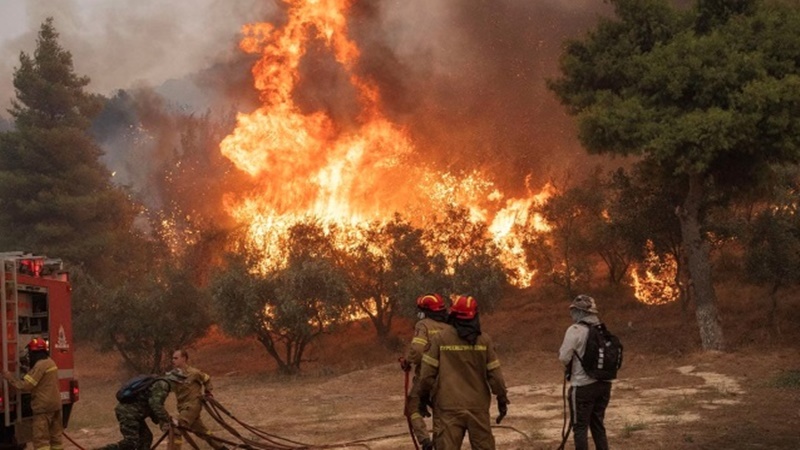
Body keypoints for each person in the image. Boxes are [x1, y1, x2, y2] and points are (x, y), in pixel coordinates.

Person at [418, 295, 509, 450]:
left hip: (448, 407)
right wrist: (501, 398)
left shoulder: (441, 339)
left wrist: (423, 397)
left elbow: (426, 374)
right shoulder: (484, 341)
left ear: (452, 314)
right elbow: (496, 376)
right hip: (477, 406)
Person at [558, 295, 612, 450]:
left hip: (582, 387)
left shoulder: (574, 330)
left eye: (574, 311)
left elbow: (564, 357)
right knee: (598, 426)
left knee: (580, 428)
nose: (572, 314)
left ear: (579, 312)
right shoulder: (602, 330)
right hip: (604, 386)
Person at [400, 293, 452, 450]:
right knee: (440, 413)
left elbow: (417, 350)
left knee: (412, 407)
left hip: (427, 377)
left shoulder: (423, 325)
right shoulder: (450, 327)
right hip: (449, 379)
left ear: (425, 311)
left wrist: (407, 361)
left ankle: (426, 442)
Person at [3, 338, 63, 450]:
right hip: (55, 406)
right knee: (56, 439)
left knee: (41, 441)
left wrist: (9, 377)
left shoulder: (39, 366)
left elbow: (25, 386)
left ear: (34, 352)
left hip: (43, 408)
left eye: (30, 353)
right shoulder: (50, 362)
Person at [166, 349, 227, 450]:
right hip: (182, 407)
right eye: (172, 358)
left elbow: (206, 379)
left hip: (193, 406)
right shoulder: (173, 376)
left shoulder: (194, 373)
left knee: (176, 427)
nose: (173, 360)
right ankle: (221, 448)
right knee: (202, 432)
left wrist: (208, 392)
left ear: (184, 359)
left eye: (176, 358)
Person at [98, 374, 175, 450]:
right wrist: (167, 420)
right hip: (128, 413)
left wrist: (163, 421)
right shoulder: (163, 385)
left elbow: (151, 406)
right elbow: (156, 406)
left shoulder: (158, 383)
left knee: (146, 438)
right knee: (130, 443)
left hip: (135, 414)